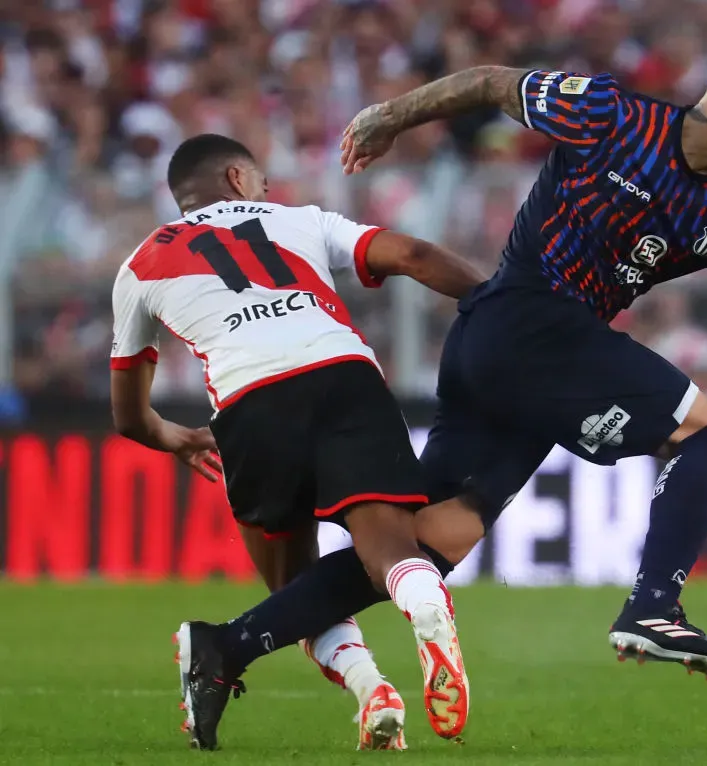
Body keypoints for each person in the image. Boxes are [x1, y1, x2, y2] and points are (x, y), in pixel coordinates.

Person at [191, 26, 707, 714]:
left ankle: (225, 647)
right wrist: (388, 117)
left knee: (433, 545)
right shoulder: (611, 115)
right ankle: (655, 606)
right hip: (523, 318)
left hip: (513, 351)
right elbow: (486, 82)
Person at [109, 134, 484, 750]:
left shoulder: (141, 264)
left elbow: (129, 416)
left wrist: (176, 437)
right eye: (260, 181)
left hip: (250, 404)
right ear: (237, 177)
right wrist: (497, 301)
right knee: (390, 554)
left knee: (293, 588)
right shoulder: (299, 219)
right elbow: (412, 254)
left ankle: (372, 688)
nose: (265, 191)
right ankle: (424, 605)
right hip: (346, 378)